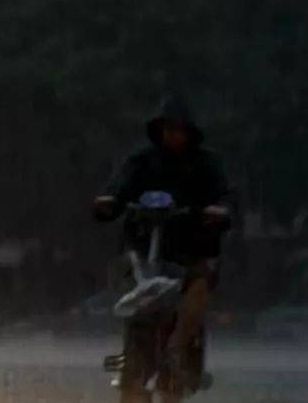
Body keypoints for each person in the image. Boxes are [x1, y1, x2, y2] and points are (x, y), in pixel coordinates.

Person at [93, 94, 231, 369]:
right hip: (142, 249)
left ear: (189, 131)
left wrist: (219, 209)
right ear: (158, 130)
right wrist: (109, 201)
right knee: (126, 278)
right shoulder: (141, 161)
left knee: (200, 282)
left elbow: (225, 195)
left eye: (178, 129)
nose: (172, 134)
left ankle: (177, 346)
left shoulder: (206, 163)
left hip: (189, 250)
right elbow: (119, 188)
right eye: (167, 128)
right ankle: (132, 348)